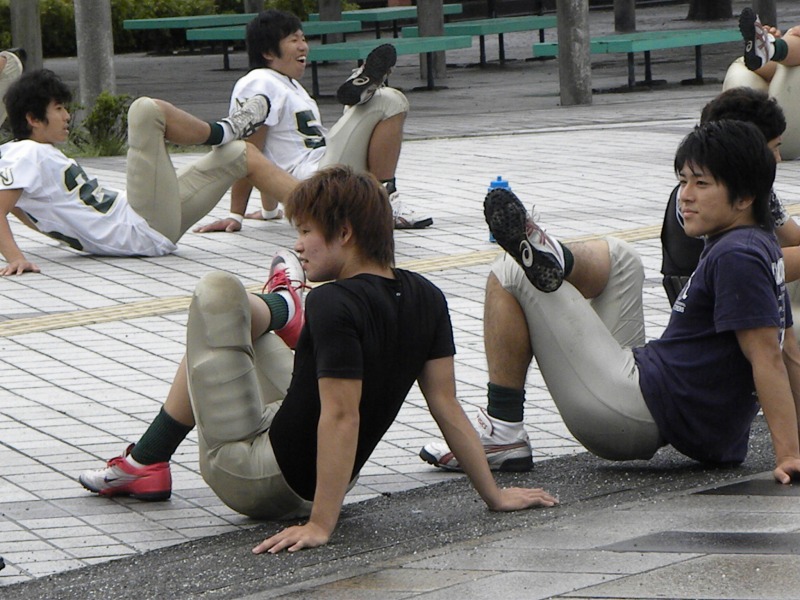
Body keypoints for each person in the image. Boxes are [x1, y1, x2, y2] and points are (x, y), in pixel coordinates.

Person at [78, 166, 557, 554]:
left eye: (306, 231)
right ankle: (282, 308)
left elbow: (342, 416)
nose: (298, 245)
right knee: (243, 335)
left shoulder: (333, 302)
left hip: (256, 477)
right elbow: (446, 406)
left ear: (344, 233)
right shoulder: (426, 295)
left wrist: (321, 524)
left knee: (214, 296)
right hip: (330, 475)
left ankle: (148, 457)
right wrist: (493, 495)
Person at [422, 120, 800, 486]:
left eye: (701, 184)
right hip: (659, 399)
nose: (685, 195)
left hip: (635, 412)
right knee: (622, 259)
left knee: (511, 270)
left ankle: (502, 431)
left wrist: (788, 455)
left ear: (745, 197)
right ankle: (557, 258)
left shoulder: (737, 256)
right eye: (683, 180)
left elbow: (768, 355)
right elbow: (790, 350)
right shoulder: (759, 244)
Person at [0, 69, 299, 275]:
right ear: (33, 118)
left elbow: (17, 206)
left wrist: (56, 228)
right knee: (146, 110)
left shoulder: (25, 155)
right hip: (139, 224)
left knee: (241, 154)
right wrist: (16, 258)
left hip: (144, 223)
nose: (67, 116)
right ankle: (223, 130)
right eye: (58, 109)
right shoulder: (25, 153)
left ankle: (320, 211)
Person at [194, 9, 432, 232]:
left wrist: (269, 212)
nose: (303, 46)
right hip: (315, 180)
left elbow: (273, 150)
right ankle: (383, 200)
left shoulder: (289, 85)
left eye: (303, 38)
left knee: (380, 103)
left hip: (324, 169)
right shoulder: (258, 82)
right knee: (389, 100)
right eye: (293, 40)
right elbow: (248, 151)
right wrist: (235, 215)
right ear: (268, 52)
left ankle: (362, 97)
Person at [661, 86, 799, 304]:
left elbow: (793, 239)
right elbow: (752, 267)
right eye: (773, 148)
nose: (778, 158)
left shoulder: (751, 189)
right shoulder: (713, 198)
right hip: (715, 308)